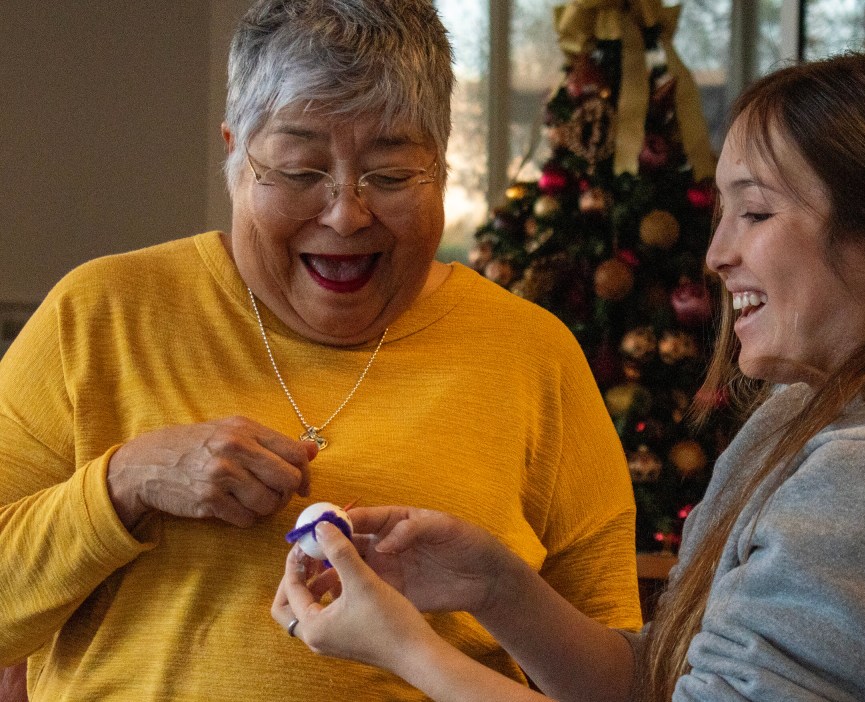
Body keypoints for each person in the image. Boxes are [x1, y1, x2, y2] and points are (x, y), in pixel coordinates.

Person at [272, 49, 865, 701]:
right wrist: (494, 585)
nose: (716, 255)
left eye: (756, 214)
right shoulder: (799, 412)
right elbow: (668, 683)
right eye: (722, 213)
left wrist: (408, 650)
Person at [0, 0, 644, 699]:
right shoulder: (98, 314)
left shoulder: (533, 353)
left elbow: (617, 686)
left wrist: (498, 588)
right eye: (301, 170)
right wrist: (125, 482)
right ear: (234, 154)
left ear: (440, 166)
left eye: (390, 175)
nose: (345, 214)